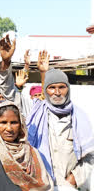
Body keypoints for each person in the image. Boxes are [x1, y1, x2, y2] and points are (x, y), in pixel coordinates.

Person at [0, 44, 53, 191]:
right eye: (3, 122)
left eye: (14, 122)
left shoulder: (30, 153)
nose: (9, 128)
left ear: (21, 125)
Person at [26, 52, 94, 189]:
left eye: (61, 87)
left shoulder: (79, 117)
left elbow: (90, 156)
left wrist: (73, 179)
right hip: (40, 185)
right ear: (46, 90)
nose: (57, 92)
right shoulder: (37, 114)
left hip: (67, 186)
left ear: (68, 89)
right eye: (52, 88)